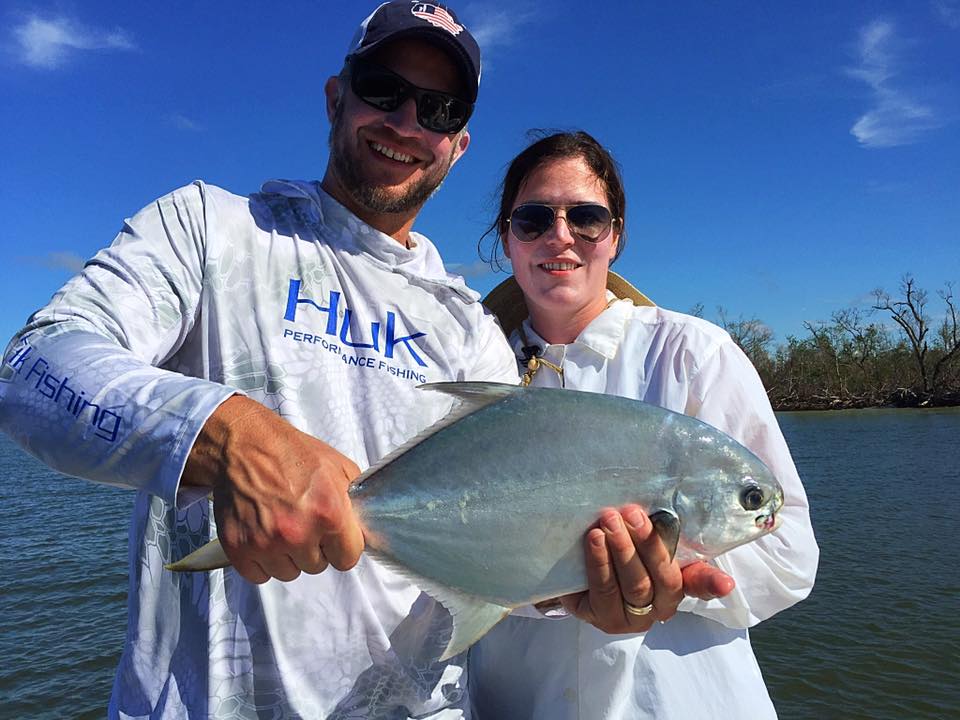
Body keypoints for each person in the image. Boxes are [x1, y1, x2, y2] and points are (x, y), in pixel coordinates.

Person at [0, 3, 521, 717]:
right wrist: (224, 432)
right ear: (337, 96)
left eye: (437, 109)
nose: (405, 124)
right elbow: (34, 365)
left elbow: (493, 542)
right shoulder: (210, 230)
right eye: (382, 88)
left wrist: (582, 587)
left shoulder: (473, 331)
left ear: (457, 144)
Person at [470, 130, 820, 719]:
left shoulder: (692, 353)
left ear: (616, 236)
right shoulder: (469, 364)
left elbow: (788, 552)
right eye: (533, 219)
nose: (561, 235)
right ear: (507, 238)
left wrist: (670, 576)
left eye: (586, 218)